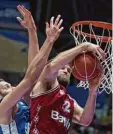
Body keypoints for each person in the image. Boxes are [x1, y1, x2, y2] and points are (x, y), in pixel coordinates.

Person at [0, 5, 64, 134]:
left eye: (7, 83)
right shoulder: (3, 108)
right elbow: (30, 78)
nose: (8, 83)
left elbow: (32, 72)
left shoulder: (22, 105)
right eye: (2, 85)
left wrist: (32, 31)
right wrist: (49, 41)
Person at [30, 40, 105, 133]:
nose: (66, 71)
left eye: (69, 71)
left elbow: (85, 120)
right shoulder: (44, 85)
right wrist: (84, 46)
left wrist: (93, 91)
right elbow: (51, 66)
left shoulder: (69, 101)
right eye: (62, 68)